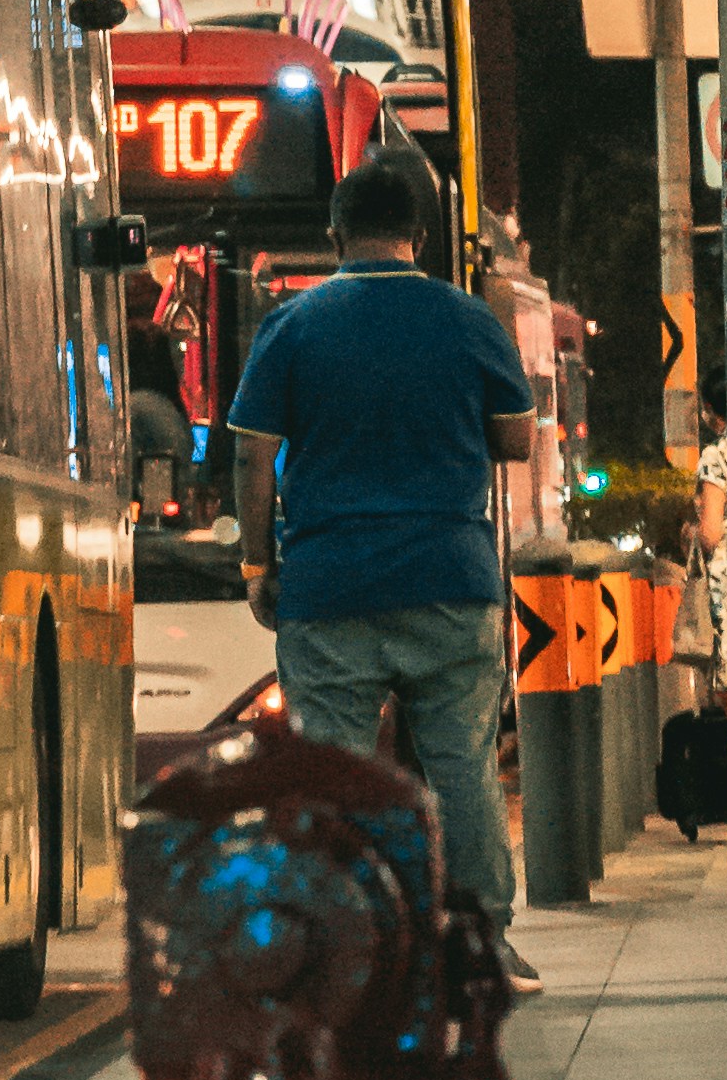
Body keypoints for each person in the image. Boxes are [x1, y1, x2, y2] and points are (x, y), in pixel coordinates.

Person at [229, 153, 541, 971]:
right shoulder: (469, 320)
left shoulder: (292, 326)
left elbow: (253, 455)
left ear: (335, 234)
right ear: (420, 236)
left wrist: (258, 566)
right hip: (449, 576)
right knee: (463, 765)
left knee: (333, 768)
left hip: (330, 583)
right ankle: (482, 938)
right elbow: (515, 437)